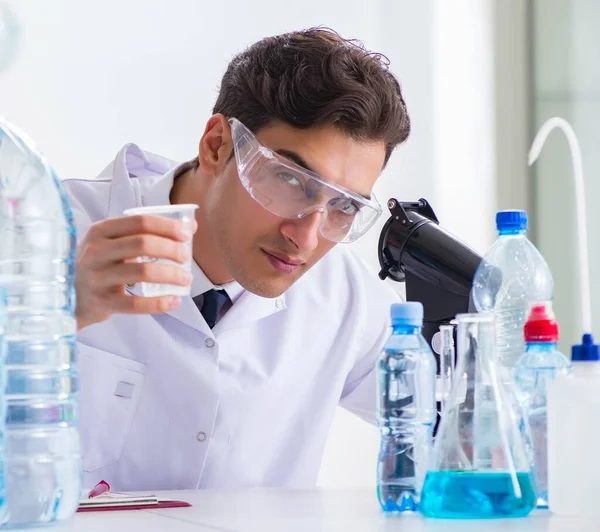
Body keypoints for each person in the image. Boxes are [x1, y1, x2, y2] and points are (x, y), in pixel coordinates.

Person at [66, 27, 411, 491]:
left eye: (345, 205)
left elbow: (454, 425)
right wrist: (51, 319)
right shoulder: (46, 236)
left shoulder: (344, 295)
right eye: (290, 181)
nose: (306, 237)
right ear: (217, 146)